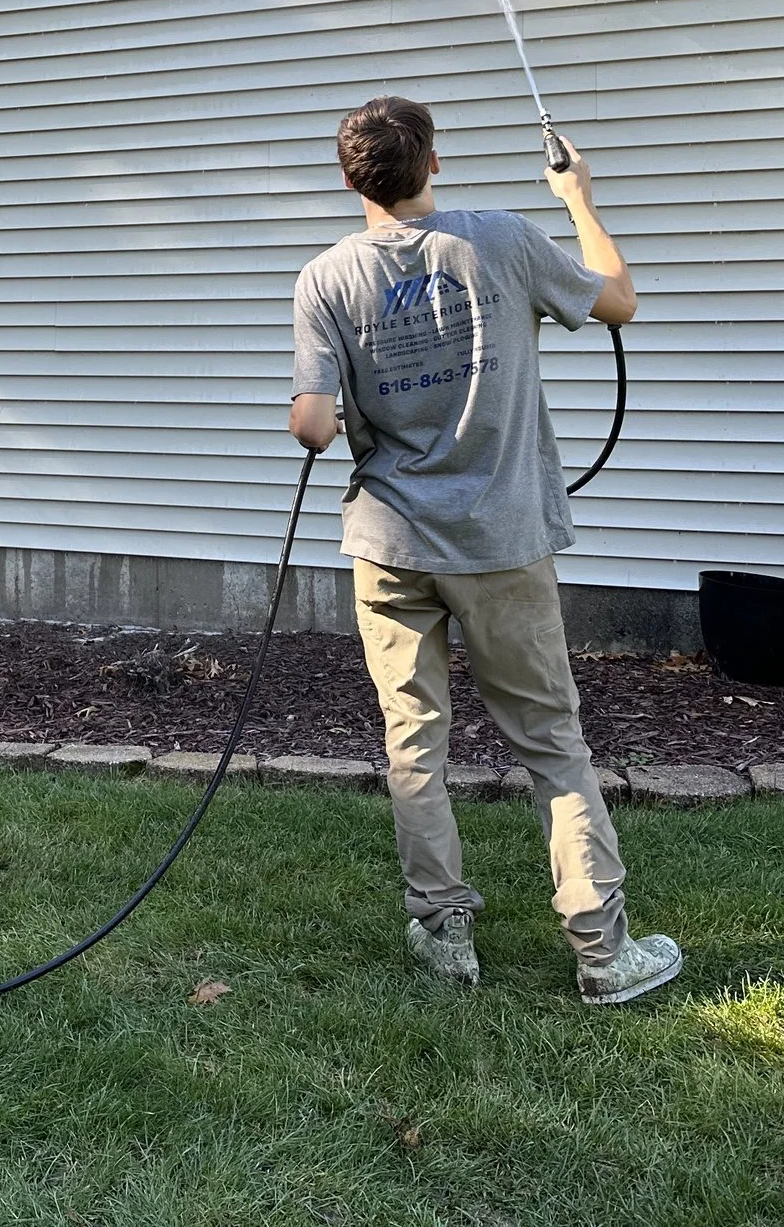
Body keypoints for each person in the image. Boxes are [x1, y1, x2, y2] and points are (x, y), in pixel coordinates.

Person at [287, 95, 682, 1006]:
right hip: (501, 542)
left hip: (388, 544)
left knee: (413, 743)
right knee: (550, 741)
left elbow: (312, 420)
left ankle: (443, 932)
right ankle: (601, 952)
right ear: (433, 164)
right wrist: (579, 197)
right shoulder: (502, 239)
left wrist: (325, 417)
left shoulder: (324, 278)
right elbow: (618, 297)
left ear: (351, 180)